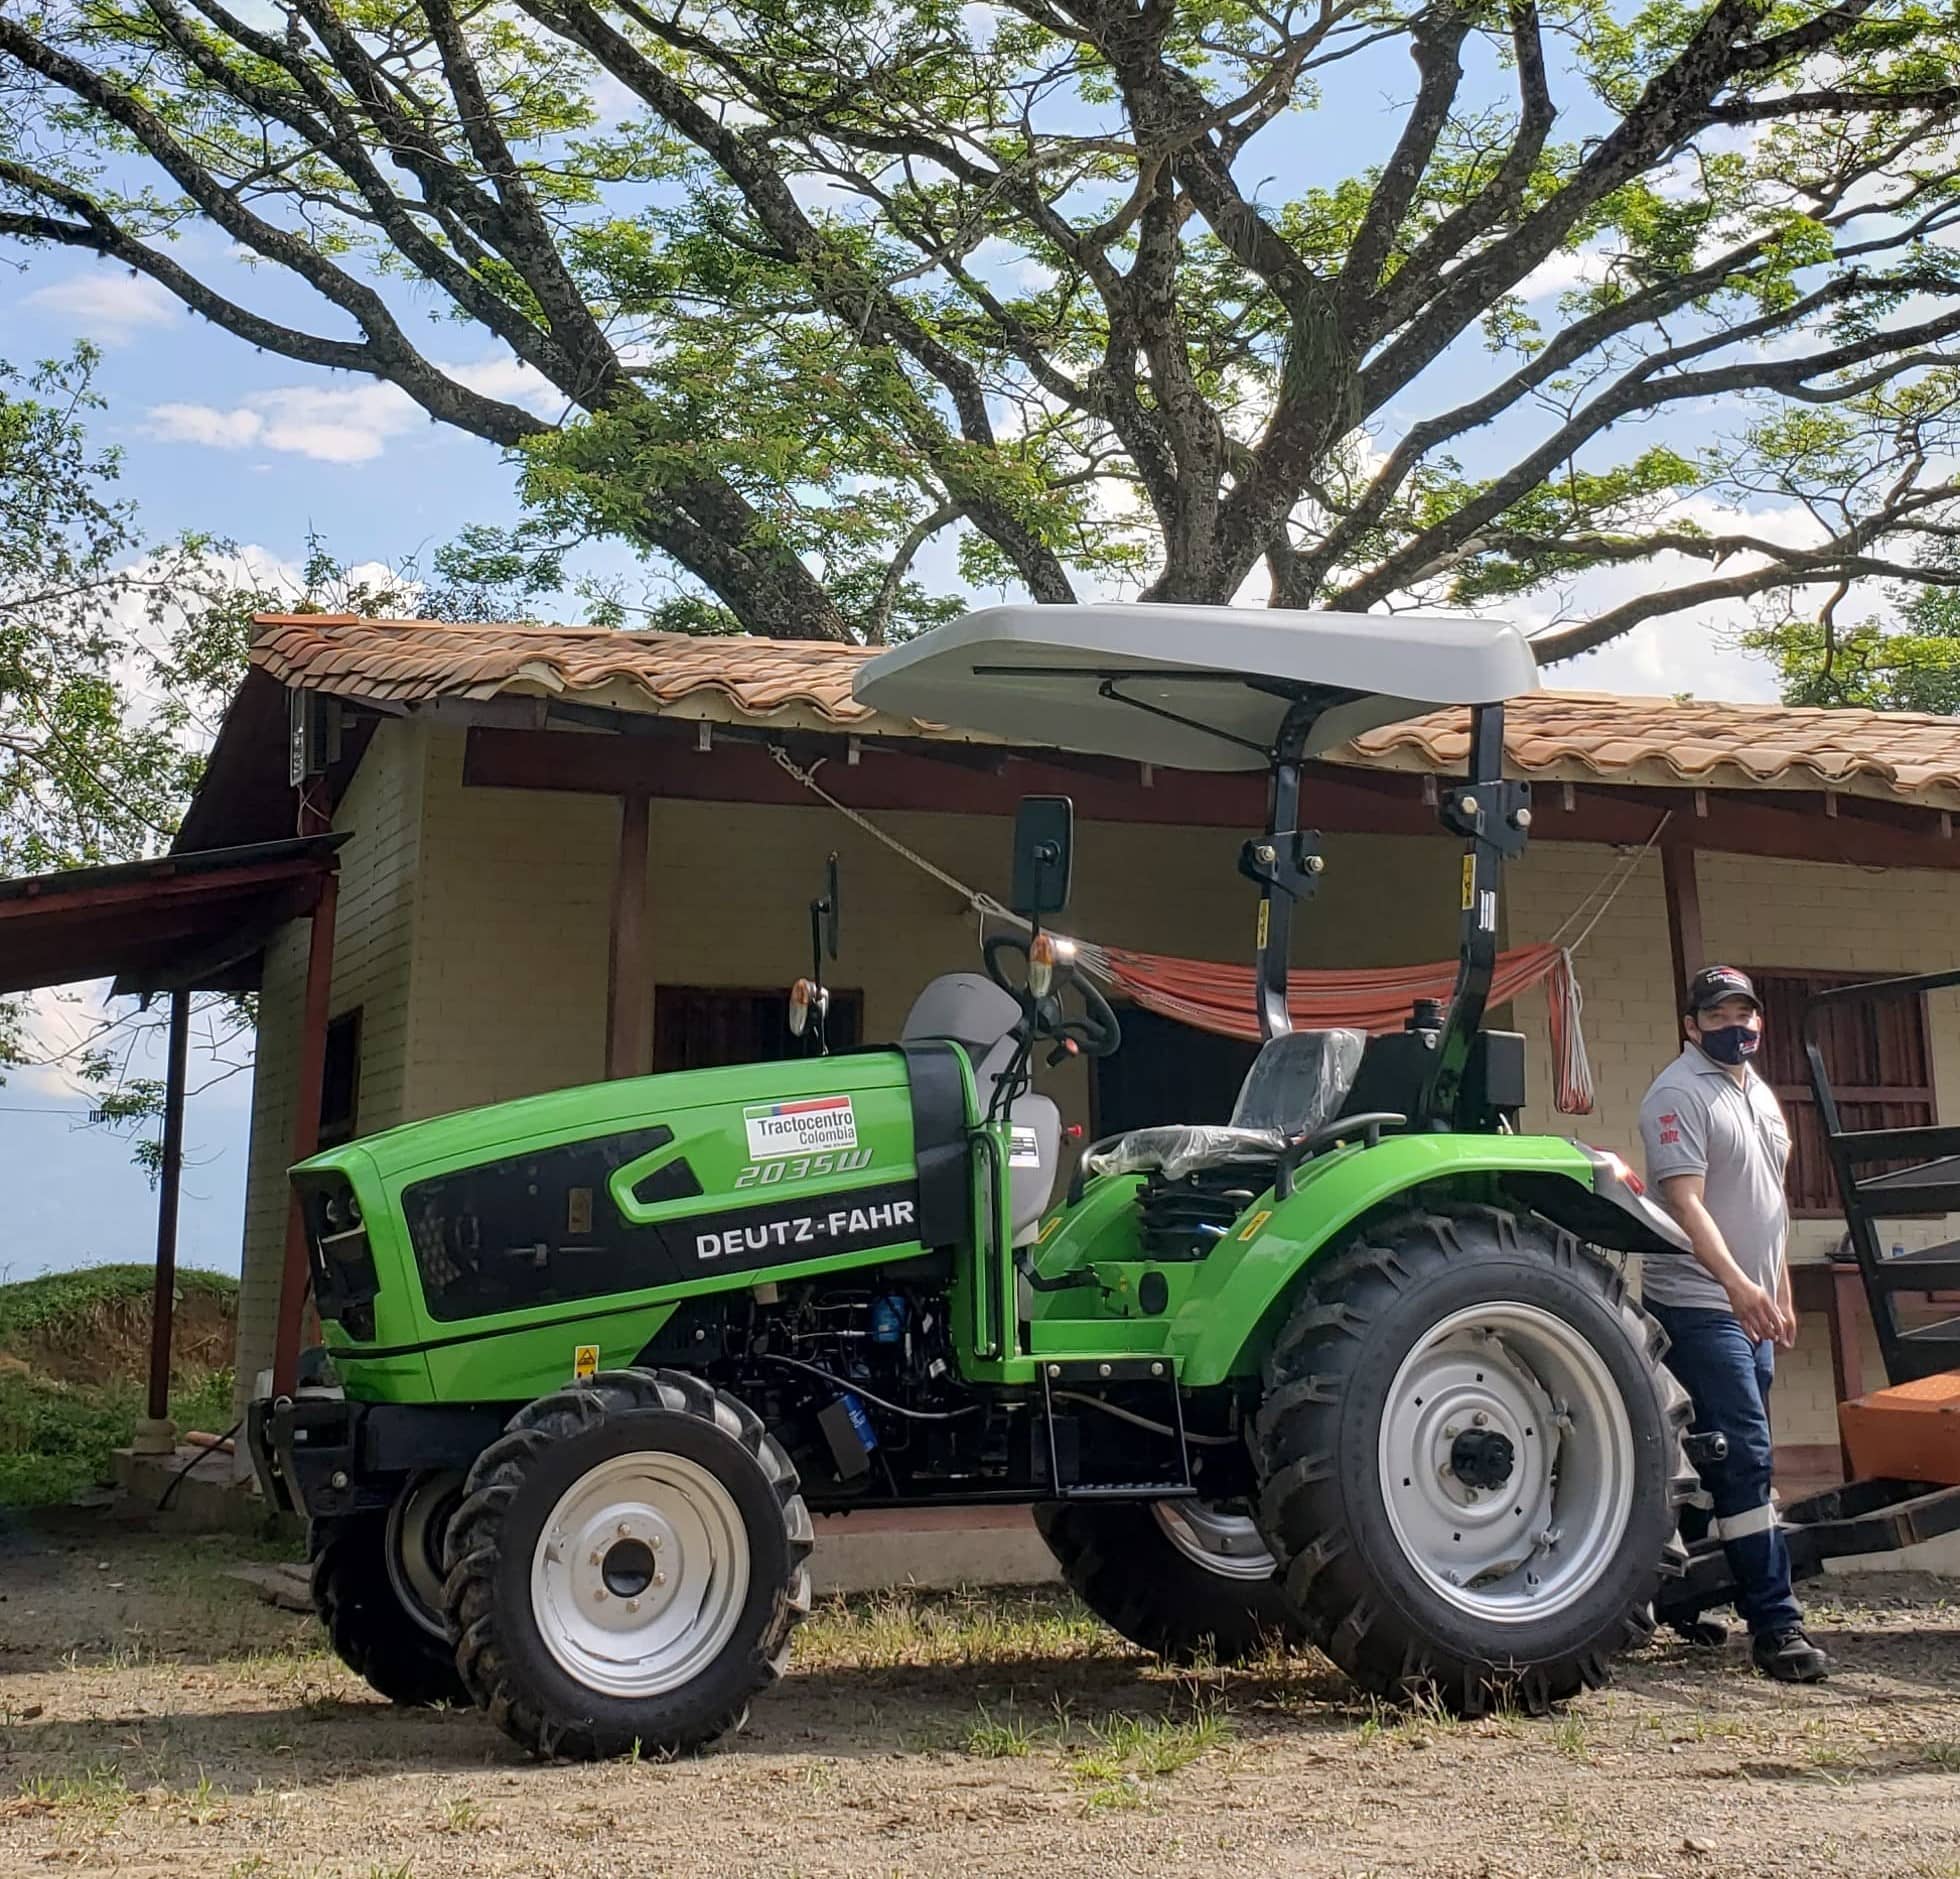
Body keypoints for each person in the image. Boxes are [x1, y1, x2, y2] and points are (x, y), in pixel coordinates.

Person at [1637, 965, 1832, 1683]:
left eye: (1746, 1012)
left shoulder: (1762, 1096)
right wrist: (1736, 1283)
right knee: (1745, 1456)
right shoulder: (1677, 1093)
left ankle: (1675, 1597)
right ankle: (1777, 1624)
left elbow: (1769, 1200)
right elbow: (1686, 1204)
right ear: (1691, 1023)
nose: (1737, 1023)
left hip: (1754, 1306)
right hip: (1699, 1302)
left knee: (1708, 1455)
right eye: (1719, 1011)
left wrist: (1776, 1286)